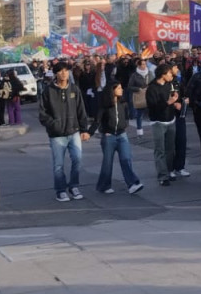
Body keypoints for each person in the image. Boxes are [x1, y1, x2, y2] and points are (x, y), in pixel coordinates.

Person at [37, 60, 90, 202]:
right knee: (58, 165)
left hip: (74, 132)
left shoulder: (74, 89)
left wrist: (84, 129)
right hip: (57, 135)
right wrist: (54, 125)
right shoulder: (48, 91)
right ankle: (60, 190)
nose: (64, 73)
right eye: (60, 71)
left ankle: (74, 186)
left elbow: (81, 110)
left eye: (66, 70)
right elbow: (43, 114)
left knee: (77, 160)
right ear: (55, 73)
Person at [95, 79, 143, 195]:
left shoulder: (123, 103)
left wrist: (124, 125)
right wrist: (88, 133)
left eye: (121, 88)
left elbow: (126, 116)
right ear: (112, 90)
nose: (121, 90)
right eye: (119, 88)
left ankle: (132, 184)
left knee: (126, 159)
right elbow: (97, 120)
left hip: (122, 135)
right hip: (109, 136)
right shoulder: (105, 105)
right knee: (107, 162)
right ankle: (104, 185)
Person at [146, 62, 179, 186]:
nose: (172, 75)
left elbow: (171, 99)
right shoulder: (152, 88)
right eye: (170, 73)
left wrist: (175, 101)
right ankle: (162, 175)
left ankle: (170, 171)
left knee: (170, 149)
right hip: (158, 122)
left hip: (170, 120)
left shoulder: (169, 84)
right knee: (160, 149)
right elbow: (153, 107)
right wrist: (168, 102)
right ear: (163, 75)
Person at [129, 59, 152, 137]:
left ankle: (154, 129)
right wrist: (138, 89)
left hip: (150, 95)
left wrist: (150, 87)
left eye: (145, 64)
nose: (144, 66)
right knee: (140, 114)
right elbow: (130, 86)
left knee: (152, 113)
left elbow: (154, 82)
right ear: (138, 65)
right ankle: (139, 130)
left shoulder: (149, 73)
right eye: (142, 64)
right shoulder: (134, 75)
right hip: (140, 96)